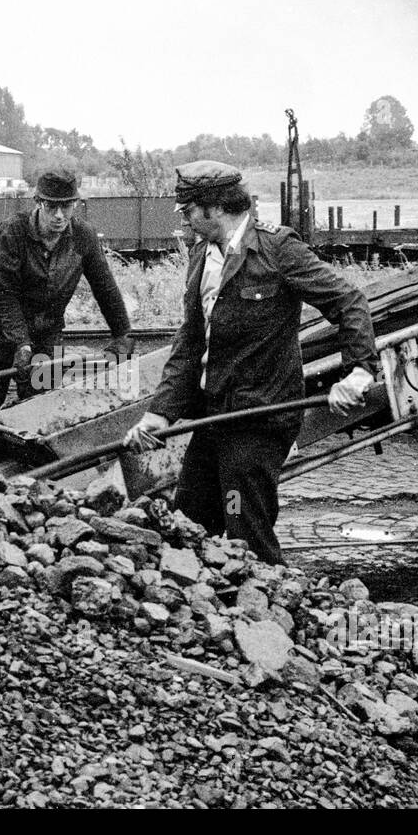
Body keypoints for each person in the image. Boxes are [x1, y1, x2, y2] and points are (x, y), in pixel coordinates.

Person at [123, 160, 378, 565]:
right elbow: (190, 342)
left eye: (189, 211)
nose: (186, 221)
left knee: (245, 531)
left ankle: (274, 614)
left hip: (260, 418)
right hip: (215, 416)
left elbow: (350, 302)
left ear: (214, 208)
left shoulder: (277, 249)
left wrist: (359, 371)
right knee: (189, 525)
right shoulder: (201, 255)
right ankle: (207, 616)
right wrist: (161, 414)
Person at [0, 167, 135, 450]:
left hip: (45, 338)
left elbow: (105, 287)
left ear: (75, 204)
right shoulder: (11, 233)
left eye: (67, 206)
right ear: (38, 202)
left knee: (40, 413)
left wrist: (123, 332)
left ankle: (24, 481)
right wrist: (21, 344)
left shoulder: (83, 236)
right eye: (52, 207)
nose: (60, 215)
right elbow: (3, 294)